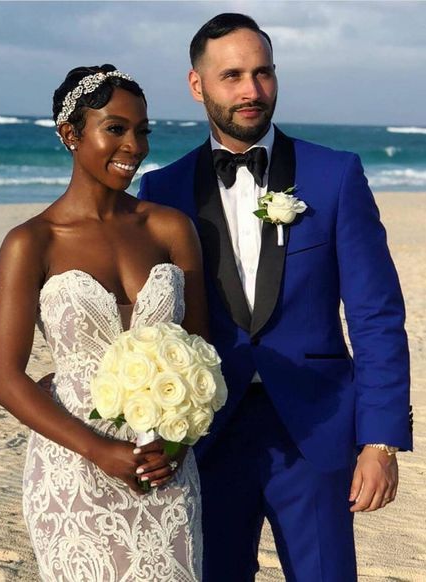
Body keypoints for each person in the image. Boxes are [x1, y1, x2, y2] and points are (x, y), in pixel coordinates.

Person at [138, 13, 412, 582]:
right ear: (198, 85)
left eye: (262, 73)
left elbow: (376, 315)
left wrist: (381, 440)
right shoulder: (161, 190)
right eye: (232, 75)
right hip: (206, 433)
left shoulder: (336, 176)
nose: (251, 91)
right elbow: (148, 320)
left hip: (315, 433)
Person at [0, 64, 207, 581]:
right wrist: (100, 450)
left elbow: (202, 353)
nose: (135, 145)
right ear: (70, 134)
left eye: (143, 130)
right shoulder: (31, 242)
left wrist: (177, 445)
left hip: (165, 474)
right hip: (74, 473)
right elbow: (3, 377)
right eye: (116, 128)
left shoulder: (171, 229)